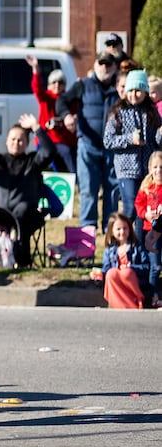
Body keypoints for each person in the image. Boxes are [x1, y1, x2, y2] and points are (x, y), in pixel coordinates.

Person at [0, 114, 61, 268]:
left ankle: (21, 259)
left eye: (21, 139)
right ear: (7, 141)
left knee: (22, 211)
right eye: (13, 139)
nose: (16, 143)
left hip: (26, 215)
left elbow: (50, 151)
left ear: (27, 143)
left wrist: (36, 127)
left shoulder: (33, 161)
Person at [68, 53, 119, 230]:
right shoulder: (83, 85)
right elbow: (62, 101)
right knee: (88, 189)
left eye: (108, 64)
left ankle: (110, 228)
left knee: (112, 189)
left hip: (113, 147)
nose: (104, 67)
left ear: (114, 67)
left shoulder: (119, 87)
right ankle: (88, 228)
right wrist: (66, 116)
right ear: (96, 65)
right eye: (101, 63)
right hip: (88, 146)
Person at [103, 70, 161, 219]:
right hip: (126, 170)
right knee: (131, 207)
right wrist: (130, 139)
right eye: (131, 90)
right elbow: (108, 141)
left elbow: (156, 142)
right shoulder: (118, 112)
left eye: (138, 91)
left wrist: (160, 134)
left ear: (145, 91)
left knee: (145, 208)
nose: (134, 95)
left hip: (147, 169)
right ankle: (124, 240)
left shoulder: (152, 112)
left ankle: (140, 241)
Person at [90, 212, 152, 309]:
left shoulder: (137, 247)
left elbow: (146, 266)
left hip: (134, 282)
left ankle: (135, 302)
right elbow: (106, 269)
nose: (122, 232)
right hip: (116, 284)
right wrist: (99, 275)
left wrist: (131, 267)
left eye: (125, 228)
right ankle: (117, 304)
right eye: (118, 229)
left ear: (130, 229)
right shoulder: (109, 250)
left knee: (126, 272)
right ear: (112, 231)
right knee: (111, 273)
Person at [26, 54, 75, 169]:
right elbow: (36, 87)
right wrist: (36, 69)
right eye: (54, 82)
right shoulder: (46, 98)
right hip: (46, 139)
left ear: (65, 85)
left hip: (63, 141)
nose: (57, 85)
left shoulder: (69, 100)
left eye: (60, 82)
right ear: (49, 85)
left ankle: (73, 182)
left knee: (67, 154)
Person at [132, 151, 162, 305]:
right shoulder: (146, 188)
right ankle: (154, 297)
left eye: (161, 167)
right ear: (150, 168)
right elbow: (138, 206)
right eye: (155, 167)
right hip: (151, 232)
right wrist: (146, 215)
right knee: (155, 266)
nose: (158, 170)